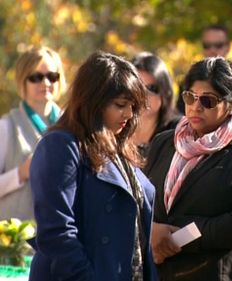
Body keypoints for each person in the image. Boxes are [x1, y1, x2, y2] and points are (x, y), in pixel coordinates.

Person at [28, 51, 157, 280]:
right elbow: (56, 231)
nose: (128, 114)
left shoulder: (119, 149)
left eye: (132, 106)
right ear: (94, 101)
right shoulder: (61, 145)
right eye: (120, 104)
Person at [143, 57, 232, 280]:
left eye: (208, 100)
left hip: (219, 272)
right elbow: (143, 202)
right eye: (190, 97)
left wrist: (172, 235)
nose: (195, 106)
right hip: (162, 272)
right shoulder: (164, 143)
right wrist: (150, 231)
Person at [0, 46, 66, 220]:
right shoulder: (6, 127)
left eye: (52, 76)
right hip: (17, 241)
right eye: (36, 77)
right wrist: (21, 173)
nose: (46, 83)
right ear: (23, 81)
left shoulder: (72, 125)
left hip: (62, 236)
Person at [131, 52, 180, 157]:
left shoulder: (179, 132)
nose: (143, 95)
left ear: (166, 92)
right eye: (137, 87)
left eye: (152, 88)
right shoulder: (112, 132)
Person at [176, 24, 231, 114]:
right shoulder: (189, 81)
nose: (212, 50)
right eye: (207, 45)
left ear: (228, 47)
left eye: (218, 45)